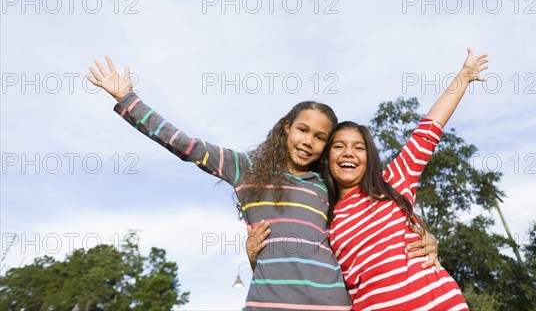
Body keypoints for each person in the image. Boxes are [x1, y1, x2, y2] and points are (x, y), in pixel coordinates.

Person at [87, 55, 438, 311]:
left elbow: (368, 224)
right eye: (303, 130)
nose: (308, 141)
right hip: (267, 304)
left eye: (320, 137)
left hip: (334, 304)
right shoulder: (246, 169)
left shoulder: (324, 186)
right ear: (286, 127)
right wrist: (128, 101)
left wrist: (422, 235)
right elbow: (185, 144)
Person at [247, 48, 487, 310]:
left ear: (369, 156)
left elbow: (429, 129)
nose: (349, 152)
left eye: (358, 147)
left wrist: (463, 77)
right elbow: (301, 274)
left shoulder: (394, 180)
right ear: (326, 158)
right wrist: (255, 257)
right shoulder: (321, 214)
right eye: (338, 146)